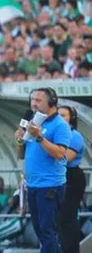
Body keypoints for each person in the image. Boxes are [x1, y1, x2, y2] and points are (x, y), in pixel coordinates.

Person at [14, 88, 70, 253]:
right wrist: (19, 141)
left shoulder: (60, 125)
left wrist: (39, 137)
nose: (33, 103)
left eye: (38, 100)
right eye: (32, 99)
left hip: (50, 185)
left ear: (51, 102)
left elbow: (60, 154)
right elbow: (21, 155)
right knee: (40, 232)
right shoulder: (34, 123)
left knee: (47, 232)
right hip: (33, 185)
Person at [58, 105, 84, 253]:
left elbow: (65, 158)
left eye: (64, 115)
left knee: (67, 218)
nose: (60, 118)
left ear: (71, 119)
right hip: (59, 177)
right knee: (58, 220)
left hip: (72, 178)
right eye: (58, 115)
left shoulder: (74, 136)